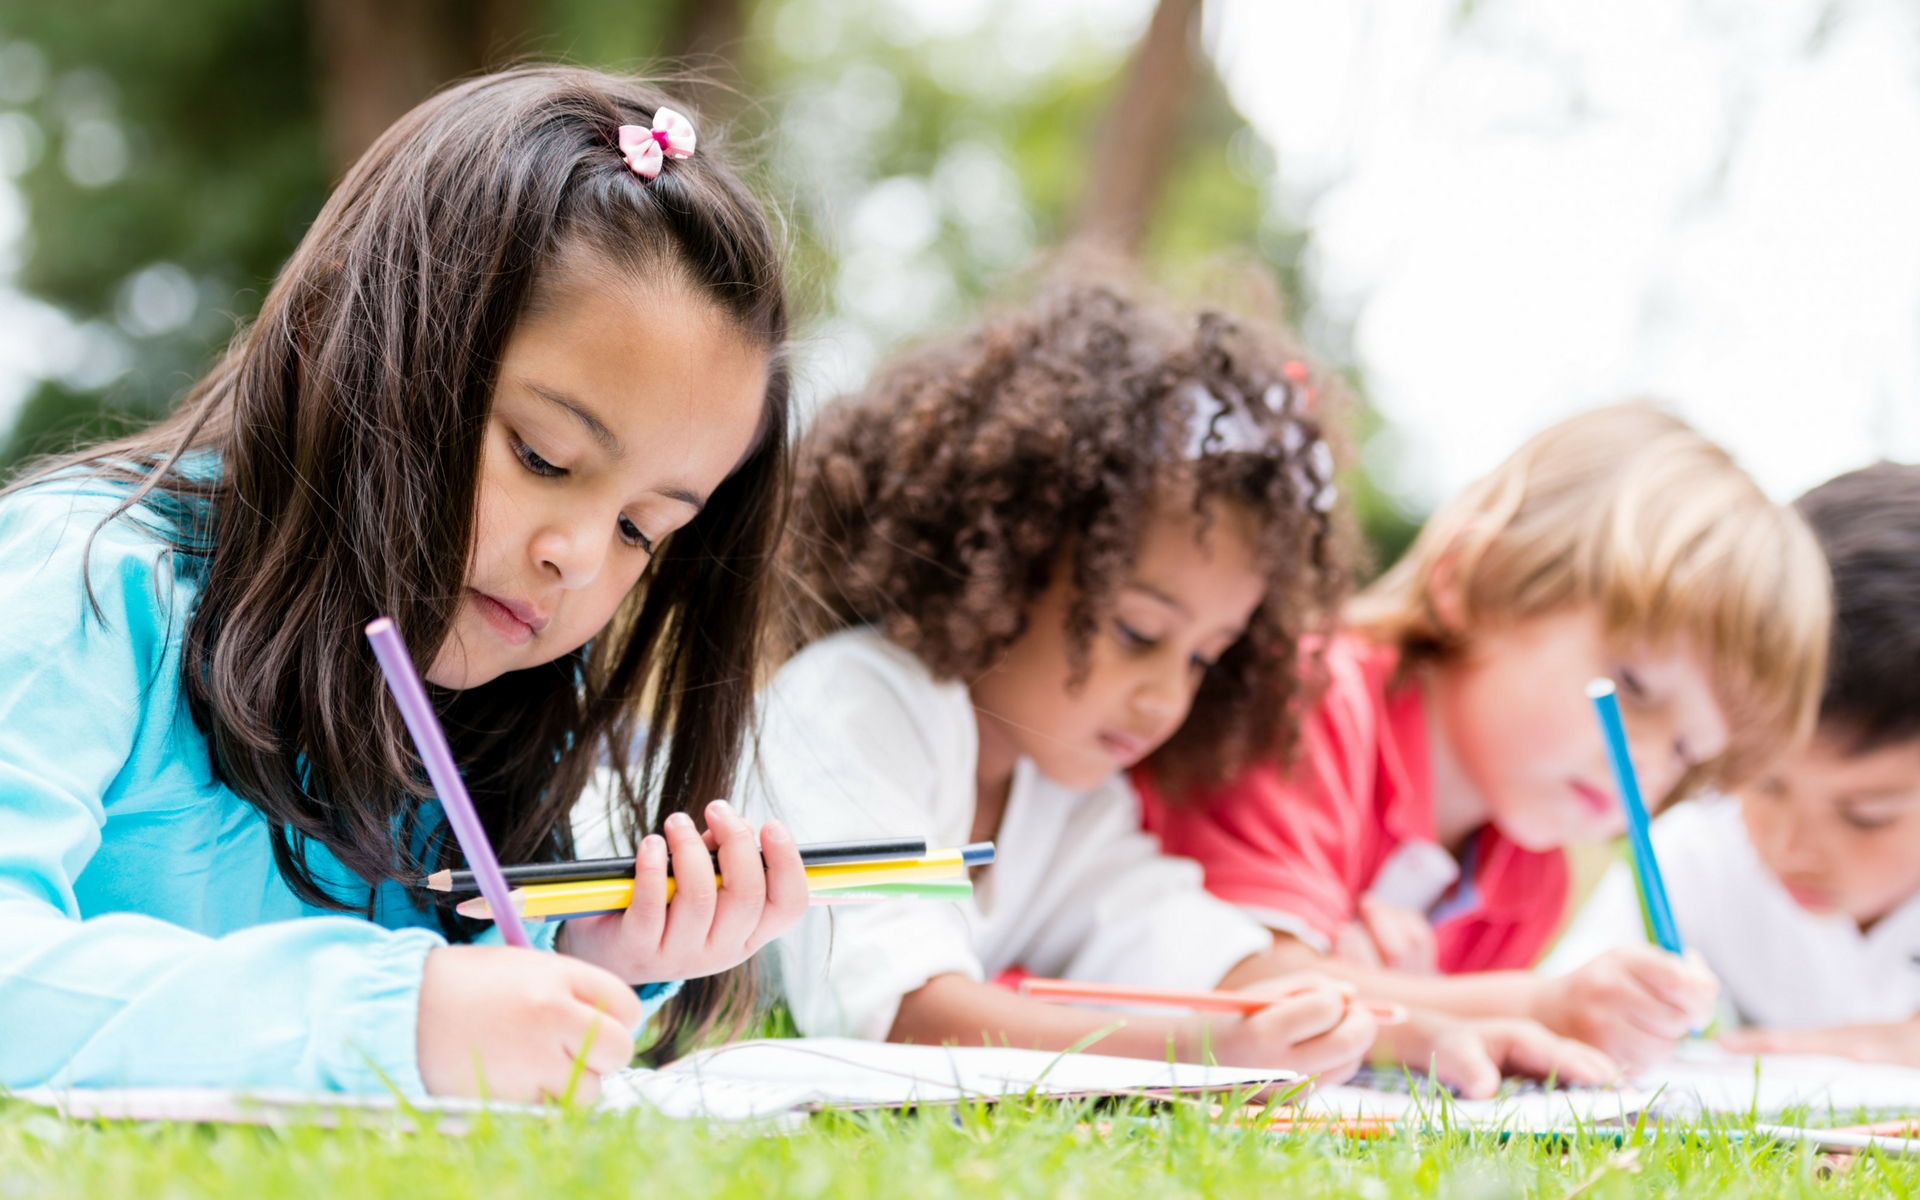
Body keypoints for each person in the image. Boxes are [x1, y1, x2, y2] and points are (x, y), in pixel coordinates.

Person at [0, 68, 810, 1103]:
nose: (577, 557)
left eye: (642, 529)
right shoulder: (94, 581)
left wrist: (593, 965)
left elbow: (476, 1015)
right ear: (379, 349)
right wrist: (394, 1019)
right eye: (545, 457)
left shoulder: (503, 710)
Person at [739, 278, 1613, 1097]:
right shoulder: (858, 709)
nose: (1167, 698)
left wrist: (1411, 1030)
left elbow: (1207, 961)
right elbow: (905, 1022)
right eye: (1138, 634)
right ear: (1004, 555)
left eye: (1205, 657)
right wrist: (1201, 1056)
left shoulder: (1065, 798)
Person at [1141, 404, 1832, 1071]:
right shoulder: (1310, 702)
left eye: (1688, 751)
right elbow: (1250, 990)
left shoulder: (1530, 881)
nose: (1648, 759)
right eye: (1634, 686)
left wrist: (1432, 1010)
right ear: (1476, 579)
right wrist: (1540, 1008)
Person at [1546, 462, 1920, 1065]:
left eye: (1866, 815)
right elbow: (1568, 1004)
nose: (1792, 846)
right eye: (1765, 784)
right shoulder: (1700, 855)